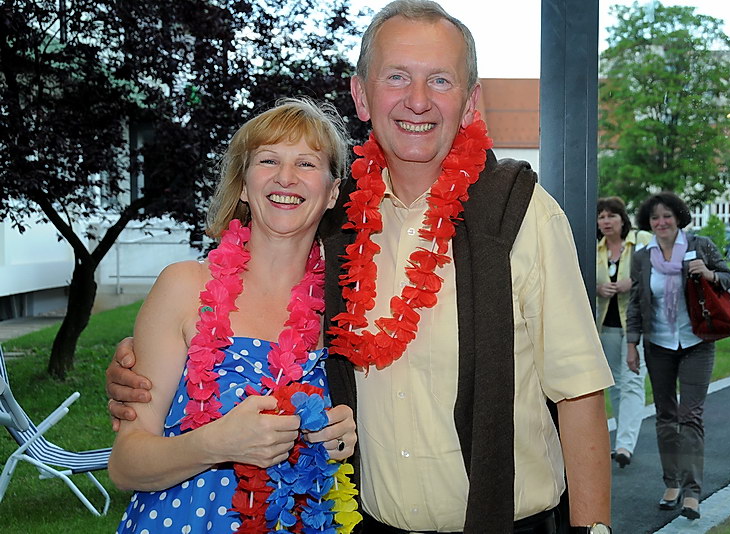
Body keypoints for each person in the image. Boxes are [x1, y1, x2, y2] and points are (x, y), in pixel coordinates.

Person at [106, 2, 615, 533]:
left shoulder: (521, 214)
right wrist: (142, 364)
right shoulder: (340, 227)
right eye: (396, 77)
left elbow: (579, 389)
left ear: (469, 103)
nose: (417, 100)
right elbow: (233, 334)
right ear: (361, 95)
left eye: (440, 80)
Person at [107, 99, 360, 534]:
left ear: (333, 191)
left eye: (306, 162)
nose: (286, 177)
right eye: (268, 160)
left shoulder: (347, 307)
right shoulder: (185, 287)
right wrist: (215, 444)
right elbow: (125, 465)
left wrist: (343, 438)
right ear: (243, 184)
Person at [625, 191, 730, 521]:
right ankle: (671, 482)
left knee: (690, 417)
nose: (661, 222)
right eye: (655, 217)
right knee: (665, 417)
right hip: (658, 346)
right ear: (649, 223)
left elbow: (728, 277)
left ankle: (692, 491)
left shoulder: (700, 246)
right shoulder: (642, 257)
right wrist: (632, 344)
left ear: (678, 218)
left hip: (696, 342)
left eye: (667, 216)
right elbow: (635, 303)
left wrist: (710, 274)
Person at [595, 197, 651, 468]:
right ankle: (621, 441)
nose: (606, 221)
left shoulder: (640, 241)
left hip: (636, 328)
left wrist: (634, 281)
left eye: (612, 216)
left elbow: (661, 268)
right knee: (615, 385)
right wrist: (598, 288)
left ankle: (625, 446)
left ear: (622, 219)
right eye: (601, 217)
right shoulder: (594, 248)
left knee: (632, 382)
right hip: (606, 326)